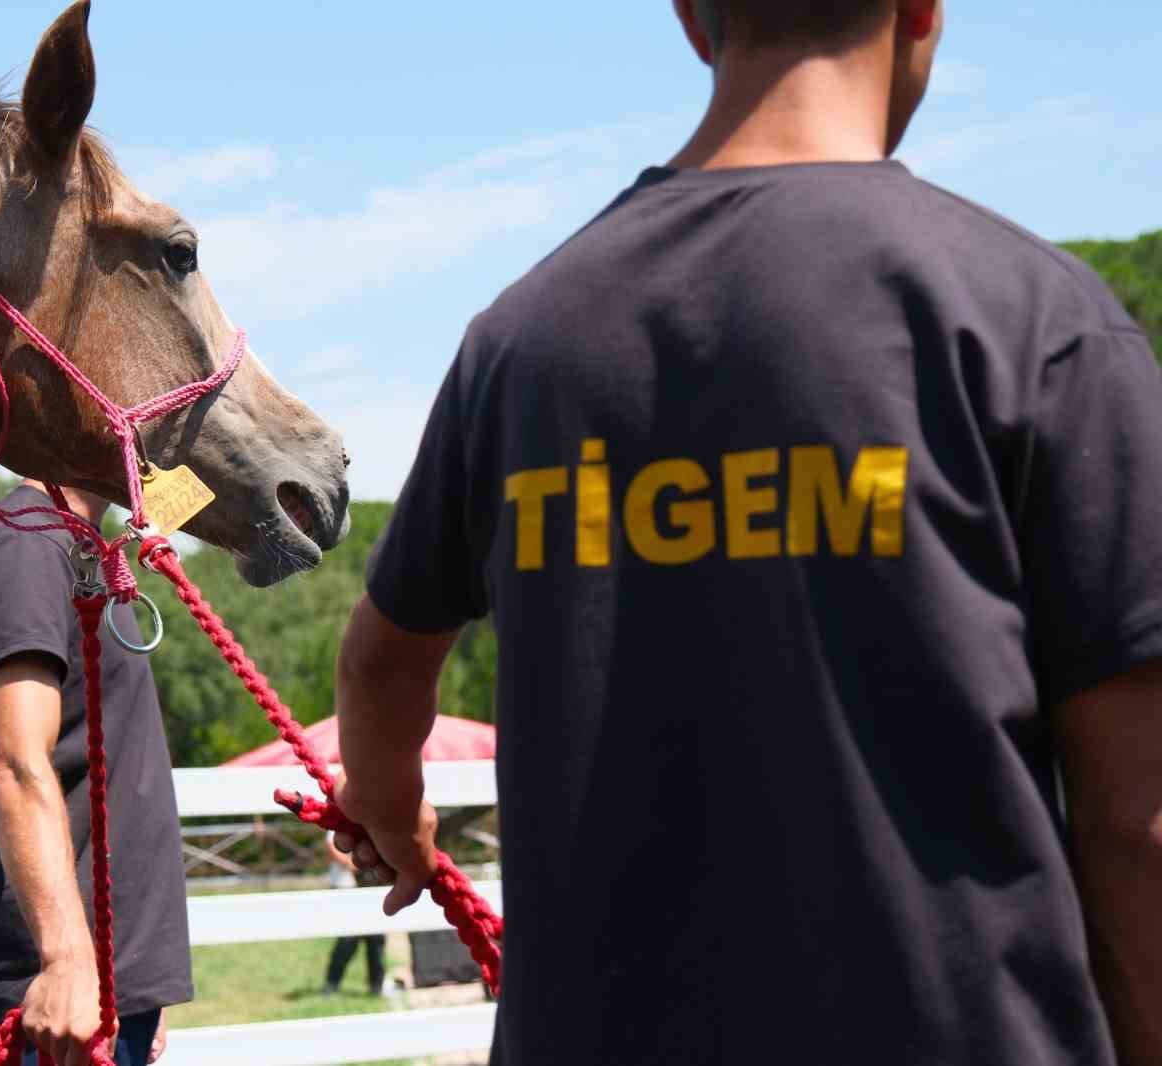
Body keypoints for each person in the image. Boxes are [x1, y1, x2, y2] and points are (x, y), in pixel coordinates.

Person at [330, 2, 1162, 1064]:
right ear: (920, 12)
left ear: (690, 17)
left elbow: (380, 659)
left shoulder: (522, 343)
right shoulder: (1031, 322)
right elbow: (1136, 820)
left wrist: (389, 808)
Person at [0, 480, 193, 1066]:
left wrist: (133, 983)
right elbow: (16, 766)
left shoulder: (75, 547)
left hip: (106, 995)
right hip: (50, 1008)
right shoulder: (28, 546)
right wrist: (66, 962)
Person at [321, 831, 386, 997]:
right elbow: (331, 847)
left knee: (376, 939)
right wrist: (354, 864)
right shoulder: (340, 821)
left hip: (369, 889)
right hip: (346, 888)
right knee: (348, 941)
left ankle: (376, 986)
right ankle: (332, 984)